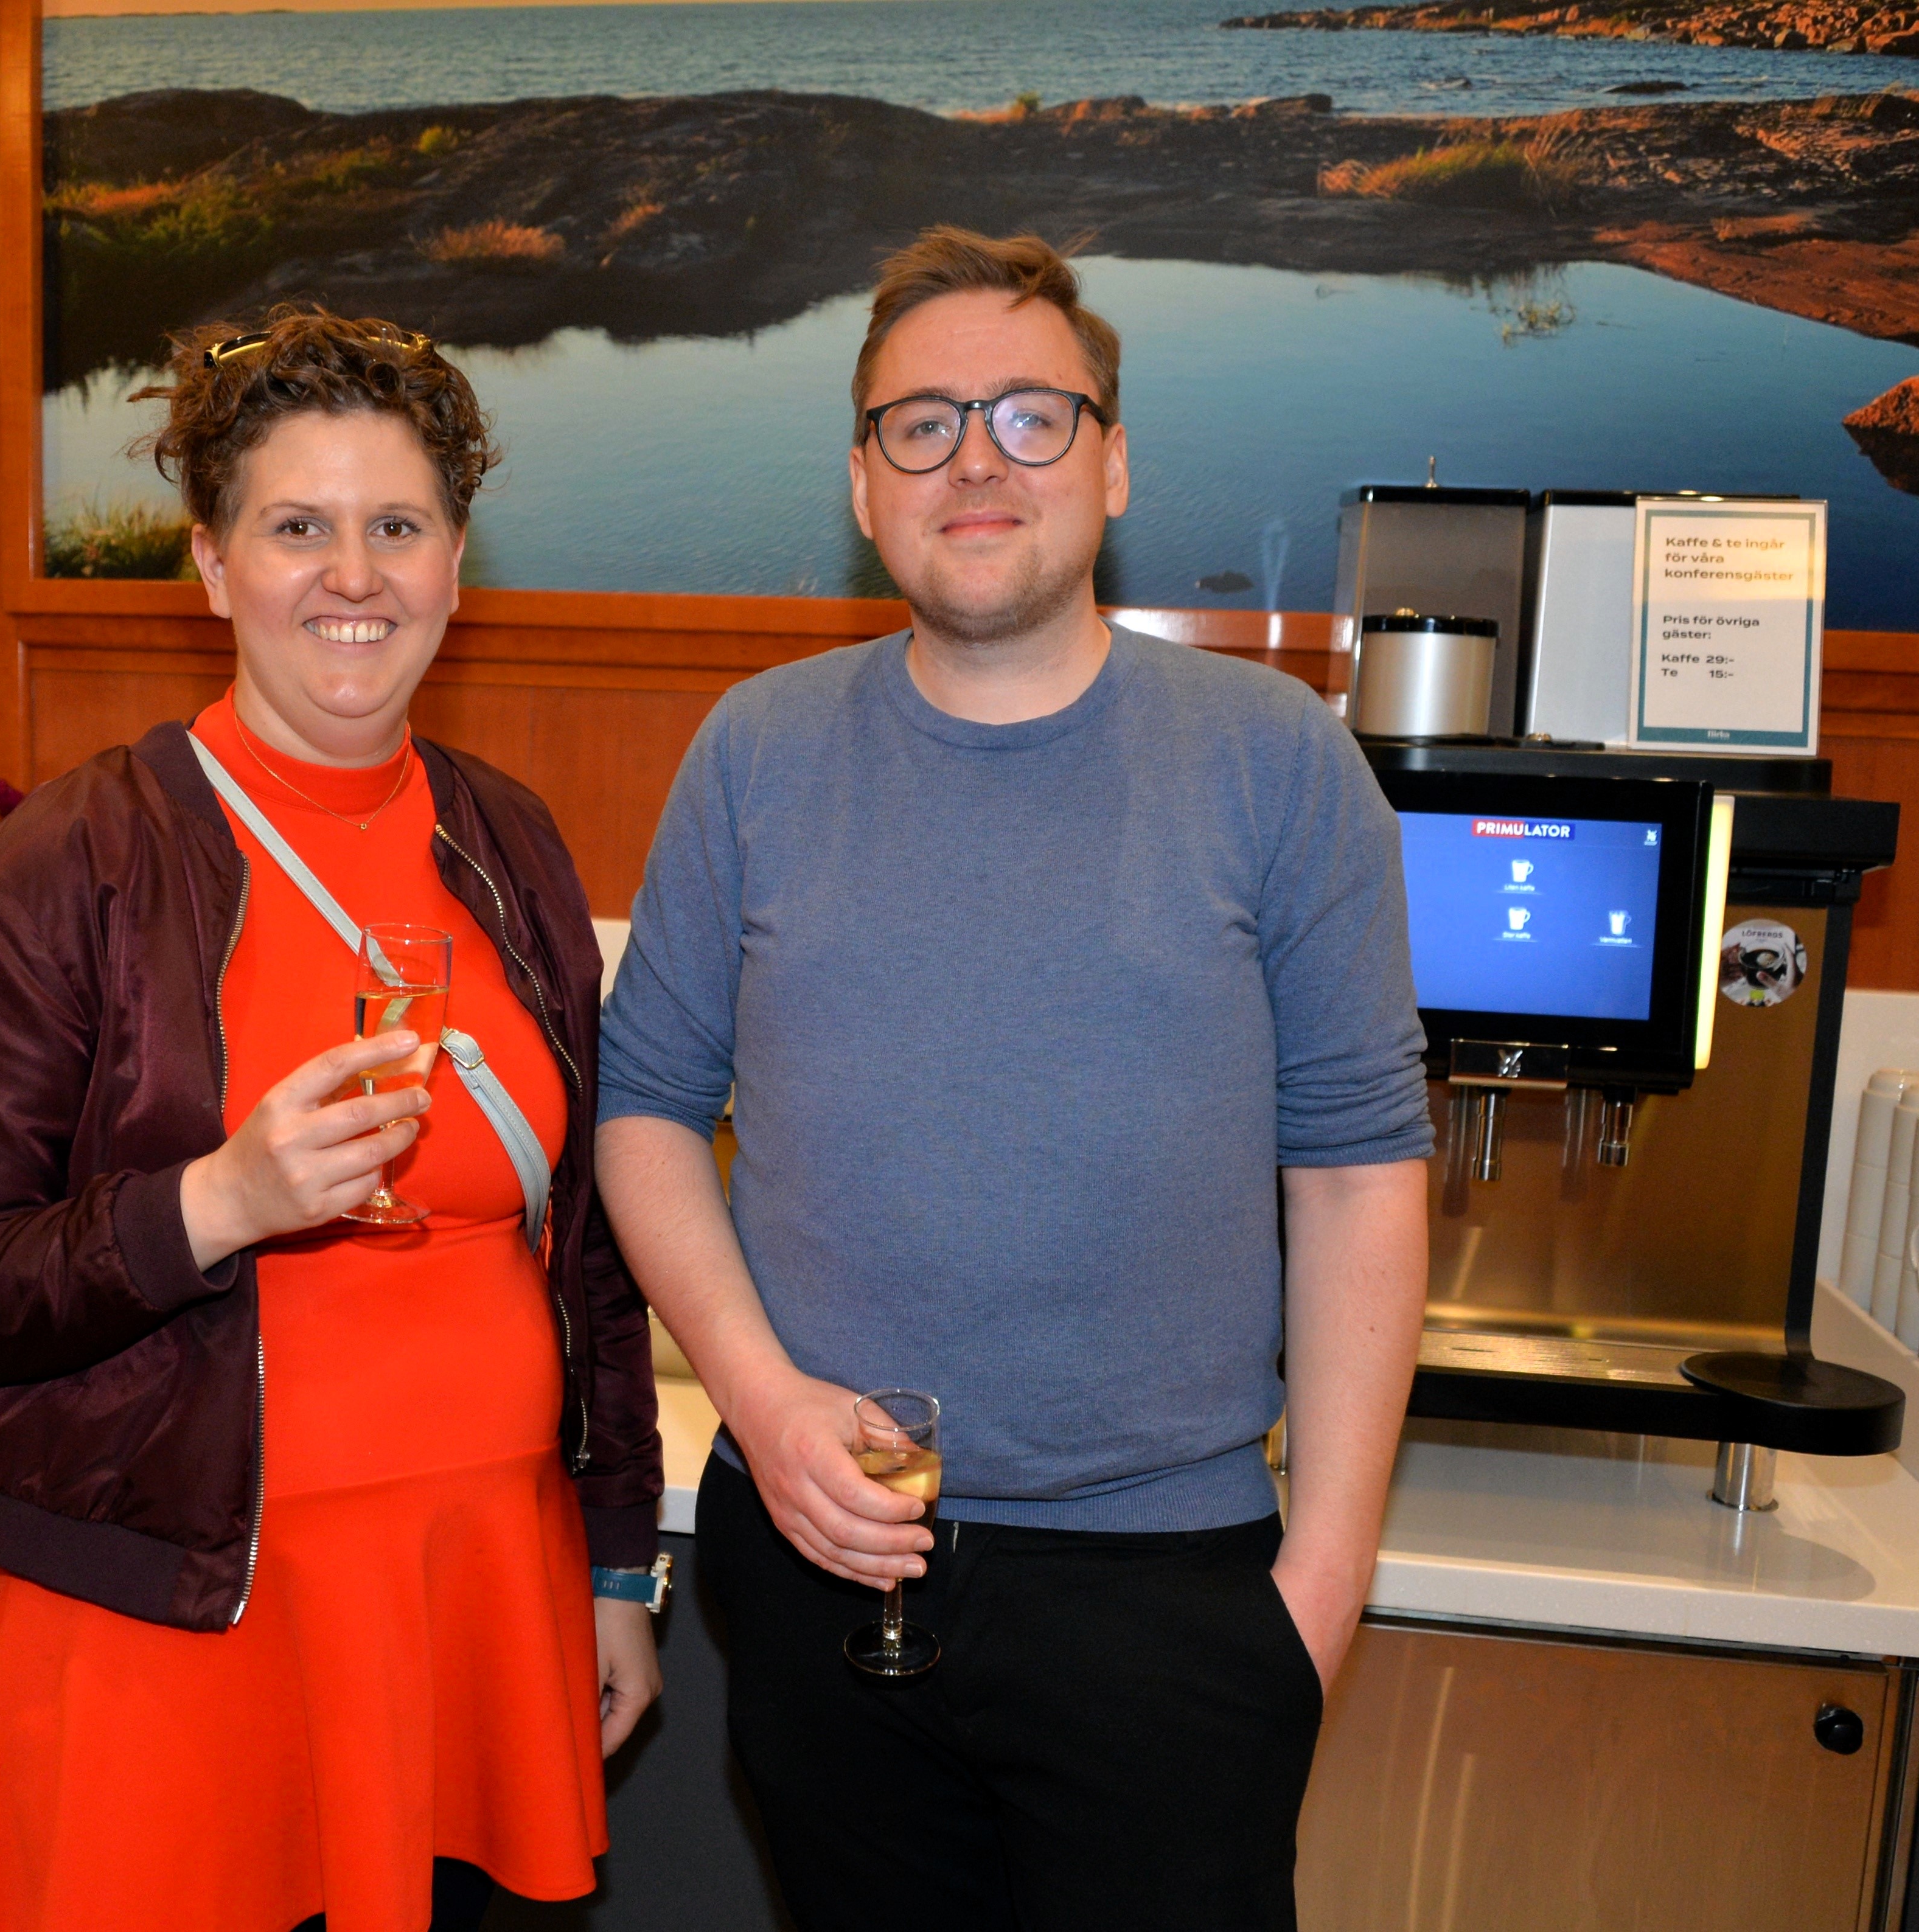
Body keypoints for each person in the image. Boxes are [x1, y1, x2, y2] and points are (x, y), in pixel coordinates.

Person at [594, 227, 1433, 1930]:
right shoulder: (754, 752)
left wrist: (1323, 1583)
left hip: (1172, 1593)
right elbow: (646, 1113)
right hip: (824, 1562)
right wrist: (761, 1398)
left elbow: (1358, 1170)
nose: (975, 460)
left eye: (1031, 417)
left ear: (1113, 463)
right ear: (863, 485)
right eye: (922, 425)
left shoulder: (1278, 760)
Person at [0, 307, 664, 1932]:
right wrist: (215, 1204)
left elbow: (586, 1258)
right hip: (181, 1619)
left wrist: (612, 1566)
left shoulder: (511, 846)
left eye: (399, 528)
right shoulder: (67, 867)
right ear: (212, 565)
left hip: (475, 1594)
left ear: (457, 565)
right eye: (298, 528)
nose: (353, 576)